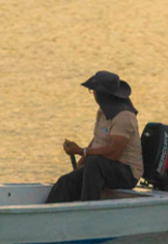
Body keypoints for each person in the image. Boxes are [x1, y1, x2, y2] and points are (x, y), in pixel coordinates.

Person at [46, 71, 145, 203]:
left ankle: (88, 207)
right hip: (102, 167)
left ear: (101, 95)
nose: (93, 94)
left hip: (126, 172)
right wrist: (84, 156)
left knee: (93, 163)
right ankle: (50, 213)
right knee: (66, 182)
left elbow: (115, 153)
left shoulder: (124, 117)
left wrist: (83, 151)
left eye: (93, 91)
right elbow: (99, 139)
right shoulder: (103, 112)